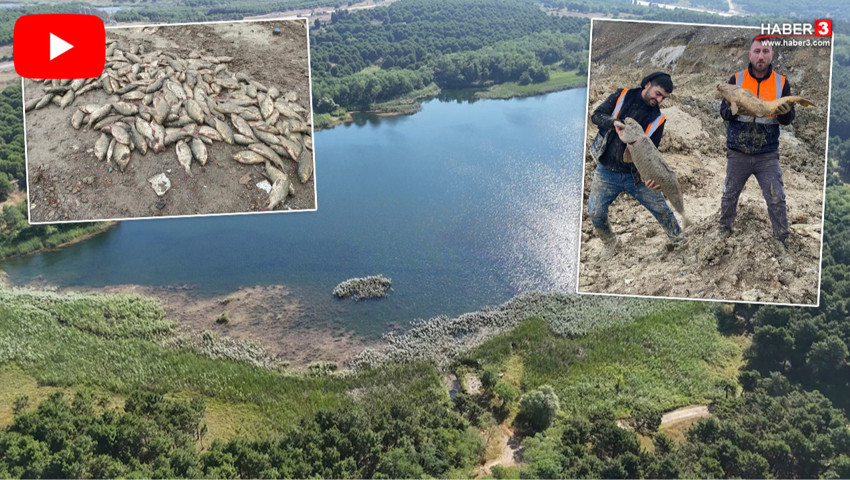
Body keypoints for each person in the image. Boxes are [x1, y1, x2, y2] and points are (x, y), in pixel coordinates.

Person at [587, 71, 685, 260]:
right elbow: (596, 116)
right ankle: (610, 242)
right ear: (647, 84)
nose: (659, 100)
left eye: (664, 98)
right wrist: (613, 122)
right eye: (658, 94)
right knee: (595, 212)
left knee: (662, 210)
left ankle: (680, 241)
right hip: (606, 171)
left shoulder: (659, 120)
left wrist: (651, 179)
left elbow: (651, 155)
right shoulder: (621, 95)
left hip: (636, 177)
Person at [718, 37, 795, 269]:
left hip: (766, 154)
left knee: (776, 198)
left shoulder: (782, 83)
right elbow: (724, 112)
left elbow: (789, 120)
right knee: (729, 195)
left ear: (771, 55)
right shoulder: (736, 80)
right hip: (738, 151)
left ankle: (781, 241)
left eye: (765, 51)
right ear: (750, 55)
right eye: (757, 51)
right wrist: (735, 109)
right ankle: (723, 231)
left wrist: (782, 113)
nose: (761, 56)